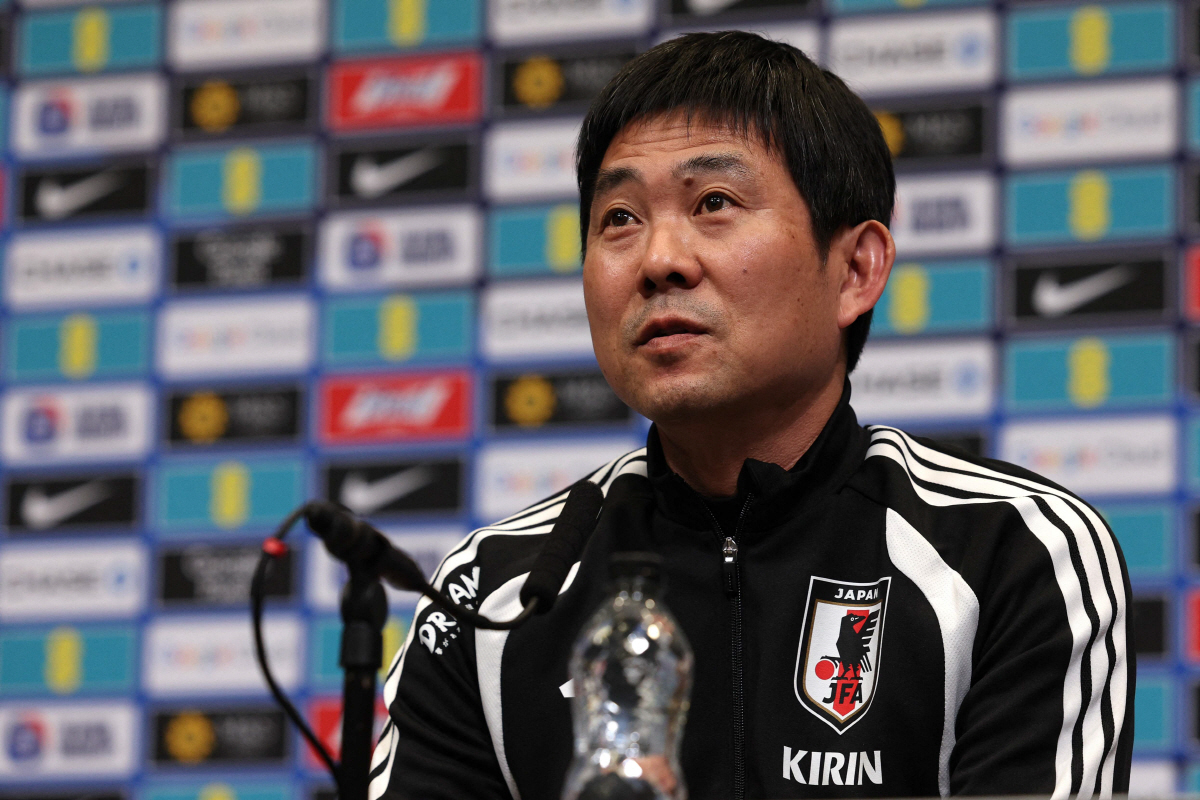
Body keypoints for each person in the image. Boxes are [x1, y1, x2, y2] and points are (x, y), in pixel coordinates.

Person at [368, 31, 1133, 800]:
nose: (660, 258)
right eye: (620, 218)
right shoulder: (490, 596)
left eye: (715, 203)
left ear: (856, 269)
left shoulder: (1013, 552)